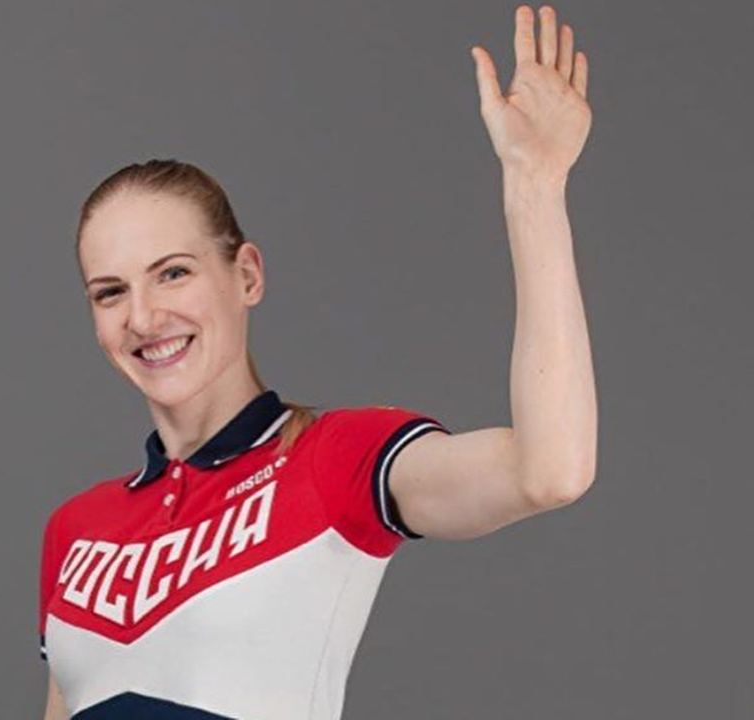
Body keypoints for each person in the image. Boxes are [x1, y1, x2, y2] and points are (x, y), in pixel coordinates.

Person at [38, 4, 596, 718]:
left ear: (246, 275)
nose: (143, 317)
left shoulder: (336, 461)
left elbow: (549, 472)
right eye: (111, 292)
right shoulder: (76, 529)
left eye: (173, 273)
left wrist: (535, 186)